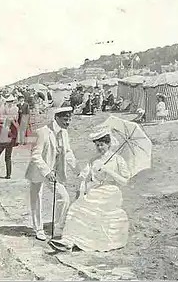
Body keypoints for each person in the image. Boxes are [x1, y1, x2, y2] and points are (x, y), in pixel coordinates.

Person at [48, 126, 131, 252]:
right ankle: (68, 241)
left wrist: (109, 171)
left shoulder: (117, 159)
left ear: (109, 144)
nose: (99, 148)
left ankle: (84, 241)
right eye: (97, 145)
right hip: (95, 190)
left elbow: (125, 181)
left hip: (111, 191)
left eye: (102, 144)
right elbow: (84, 174)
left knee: (92, 209)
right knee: (77, 207)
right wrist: (82, 178)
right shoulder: (94, 160)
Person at [25, 106, 76, 241]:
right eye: (65, 119)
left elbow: (68, 152)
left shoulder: (64, 132)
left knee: (64, 197)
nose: (68, 122)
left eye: (69, 119)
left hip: (54, 171)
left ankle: (58, 228)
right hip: (39, 170)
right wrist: (47, 172)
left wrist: (78, 170)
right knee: (36, 198)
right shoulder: (42, 132)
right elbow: (35, 155)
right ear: (57, 118)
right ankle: (39, 229)